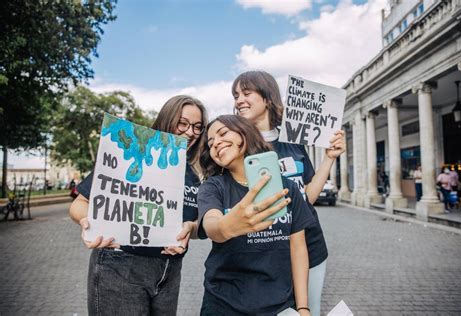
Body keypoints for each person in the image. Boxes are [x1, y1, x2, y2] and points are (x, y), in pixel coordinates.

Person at [69, 95, 208, 315]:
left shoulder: (193, 172)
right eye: (183, 123)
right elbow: (79, 204)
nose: (190, 132)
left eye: (198, 127)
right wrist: (89, 222)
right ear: (167, 119)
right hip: (121, 266)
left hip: (169, 272)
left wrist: (190, 229)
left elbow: (198, 225)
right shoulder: (130, 152)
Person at [232, 70, 345, 316]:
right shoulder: (237, 146)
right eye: (236, 95)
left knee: (309, 311)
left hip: (310, 246)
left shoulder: (293, 141)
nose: (239, 100)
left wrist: (328, 159)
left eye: (246, 93)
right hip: (264, 254)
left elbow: (307, 198)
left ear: (267, 97)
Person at [198, 115, 315, 315]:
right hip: (223, 305)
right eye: (210, 143)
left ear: (245, 132)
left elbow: (298, 248)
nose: (216, 143)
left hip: (279, 306)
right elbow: (212, 225)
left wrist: (303, 307)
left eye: (223, 133)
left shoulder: (287, 188)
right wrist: (225, 227)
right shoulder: (213, 187)